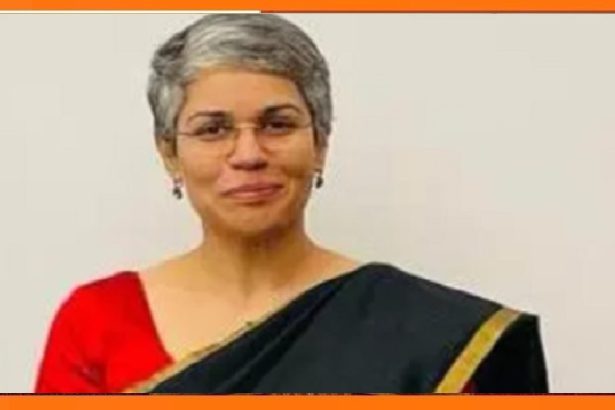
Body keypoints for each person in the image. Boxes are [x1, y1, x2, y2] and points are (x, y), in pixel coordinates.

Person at [34, 14, 548, 394]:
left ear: (320, 143)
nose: (249, 154)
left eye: (278, 124)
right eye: (212, 130)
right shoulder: (99, 321)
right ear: (170, 154)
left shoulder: (427, 335)